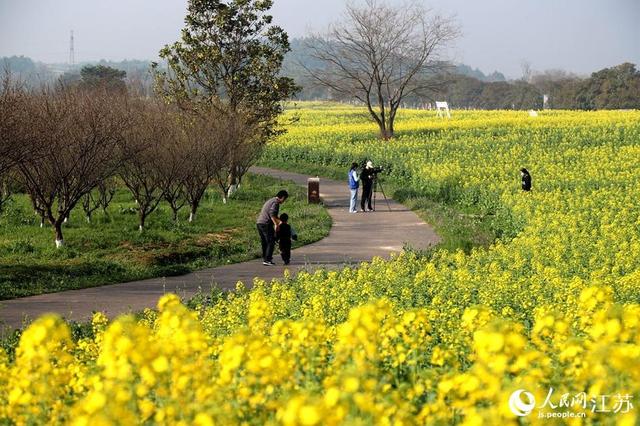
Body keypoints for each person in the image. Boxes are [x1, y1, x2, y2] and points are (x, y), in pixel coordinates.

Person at [256, 189, 288, 265]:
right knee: (271, 241)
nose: (284, 201)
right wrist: (276, 224)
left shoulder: (271, 200)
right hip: (266, 224)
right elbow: (272, 215)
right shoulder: (276, 202)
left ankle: (265, 258)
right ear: (282, 197)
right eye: (285, 199)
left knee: (265, 242)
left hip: (259, 223)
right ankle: (267, 260)